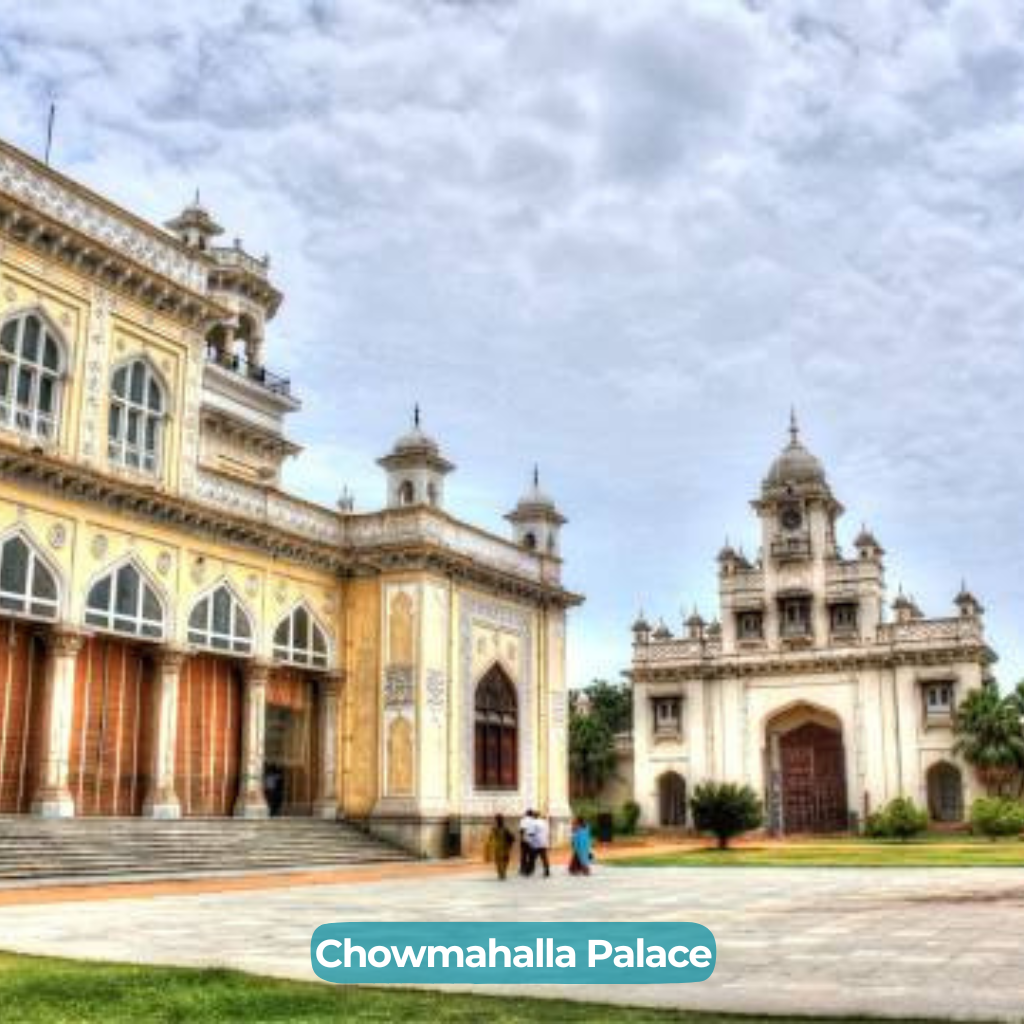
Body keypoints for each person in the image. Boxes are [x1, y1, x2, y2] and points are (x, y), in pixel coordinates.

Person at [485, 814, 516, 880]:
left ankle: (501, 873)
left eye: (496, 820)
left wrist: (489, 846)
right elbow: (512, 838)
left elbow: (490, 838)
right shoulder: (504, 828)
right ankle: (502, 873)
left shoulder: (495, 829)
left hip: (499, 847)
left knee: (499, 861)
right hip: (504, 847)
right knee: (504, 860)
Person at [529, 811, 551, 878]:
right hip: (544, 842)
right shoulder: (544, 822)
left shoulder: (533, 823)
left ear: (534, 816)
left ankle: (530, 870)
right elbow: (547, 832)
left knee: (532, 857)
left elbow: (531, 833)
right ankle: (547, 871)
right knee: (544, 857)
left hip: (536, 843)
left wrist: (530, 839)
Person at [518, 808, 535, 876]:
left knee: (523, 855)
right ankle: (530, 869)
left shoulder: (523, 820)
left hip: (525, 839)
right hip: (532, 839)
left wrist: (522, 838)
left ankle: (523, 869)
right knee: (531, 855)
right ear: (531, 814)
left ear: (526, 814)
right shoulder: (534, 821)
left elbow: (522, 830)